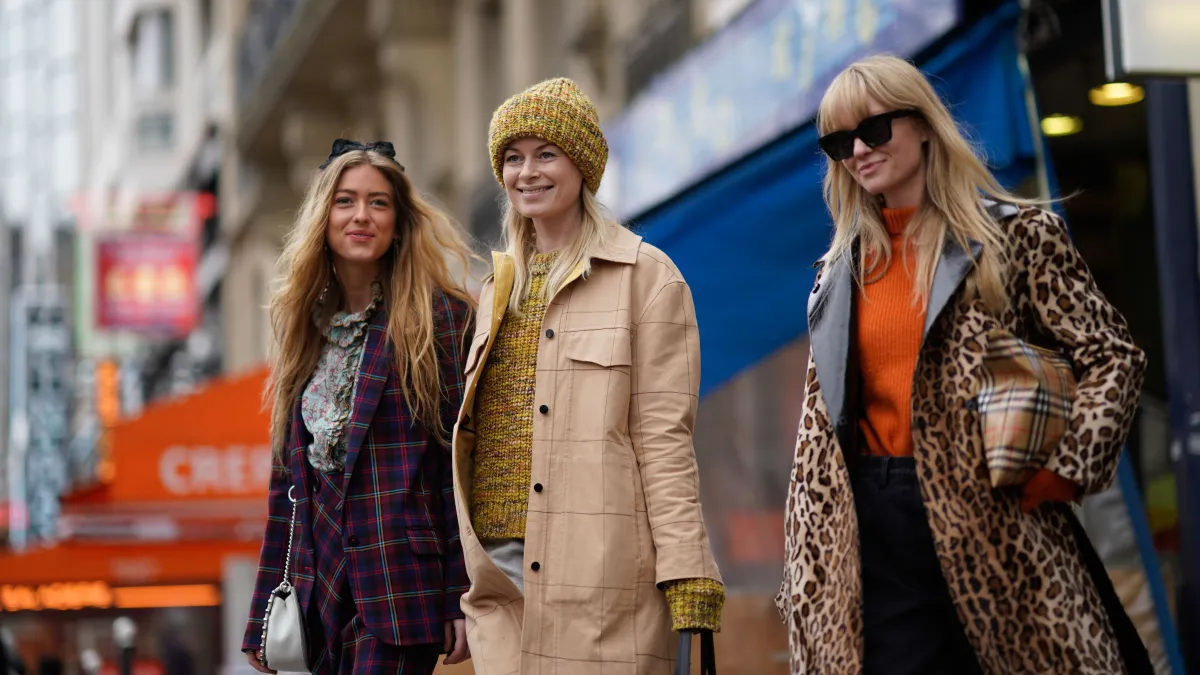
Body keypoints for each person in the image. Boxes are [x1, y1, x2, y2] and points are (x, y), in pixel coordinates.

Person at [774, 55, 1151, 674]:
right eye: (840, 142)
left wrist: (1068, 469)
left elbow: (1112, 355)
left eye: (873, 130)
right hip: (872, 518)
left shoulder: (1016, 237)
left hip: (997, 512)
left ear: (922, 123)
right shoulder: (836, 273)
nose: (859, 152)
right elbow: (822, 426)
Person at [449, 77, 724, 673]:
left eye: (546, 153)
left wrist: (687, 571)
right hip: (499, 578)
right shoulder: (496, 291)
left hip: (600, 577)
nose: (528, 173)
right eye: (514, 159)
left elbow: (664, 440)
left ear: (582, 165)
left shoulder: (648, 277)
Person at [242, 139, 475, 674]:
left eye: (379, 202)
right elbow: (287, 491)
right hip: (314, 586)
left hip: (401, 585)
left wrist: (460, 591)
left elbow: (456, 470)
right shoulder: (304, 332)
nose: (361, 216)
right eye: (345, 201)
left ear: (399, 220)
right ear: (323, 217)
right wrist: (263, 611)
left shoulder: (440, 320)